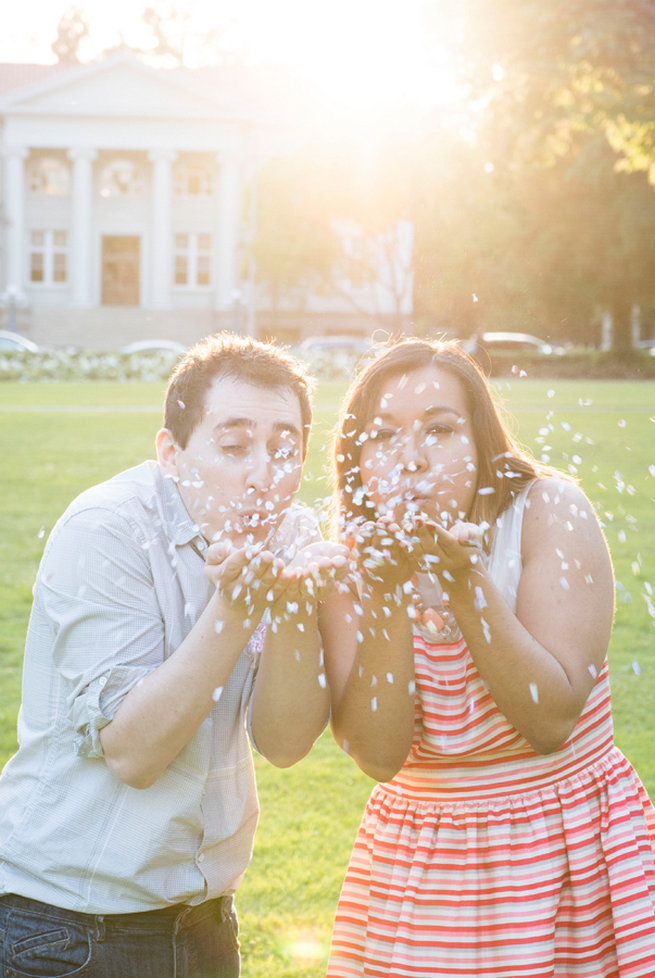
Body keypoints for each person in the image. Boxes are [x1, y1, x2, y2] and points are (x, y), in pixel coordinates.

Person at [0, 331, 348, 978]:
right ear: (171, 452)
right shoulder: (107, 530)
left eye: (285, 448)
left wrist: (297, 609)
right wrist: (239, 607)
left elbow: (283, 742)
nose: (264, 475)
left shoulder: (291, 533)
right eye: (235, 445)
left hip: (206, 923)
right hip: (68, 928)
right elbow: (134, 753)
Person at [321, 337, 655, 977]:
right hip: (424, 863)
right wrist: (388, 592)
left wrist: (465, 583)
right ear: (356, 457)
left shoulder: (547, 512)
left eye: (439, 430)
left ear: (482, 444)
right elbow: (380, 755)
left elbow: (550, 719)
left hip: (566, 849)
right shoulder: (350, 561)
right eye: (383, 436)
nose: (410, 460)